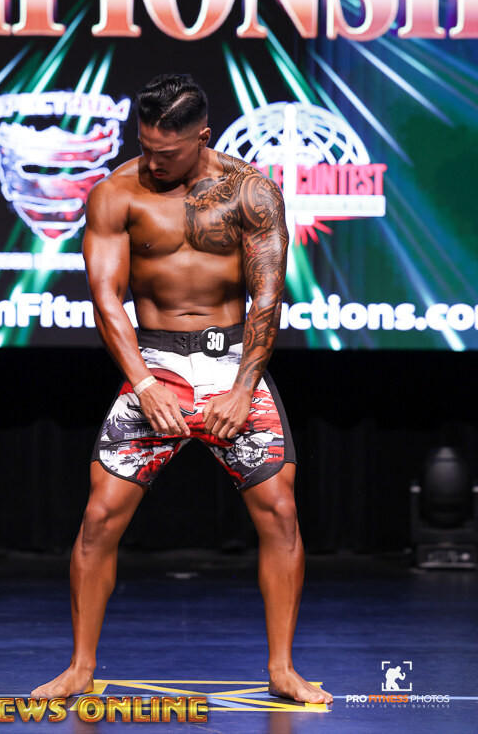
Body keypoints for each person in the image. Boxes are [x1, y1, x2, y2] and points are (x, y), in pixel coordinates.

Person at [32, 74, 332, 705]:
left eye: (166, 152)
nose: (153, 162)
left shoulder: (251, 193)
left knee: (280, 512)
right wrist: (143, 383)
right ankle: (80, 667)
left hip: (233, 364)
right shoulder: (116, 194)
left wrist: (243, 388)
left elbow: (267, 297)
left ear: (203, 136)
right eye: (145, 147)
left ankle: (282, 669)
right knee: (98, 518)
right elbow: (106, 300)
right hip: (156, 364)